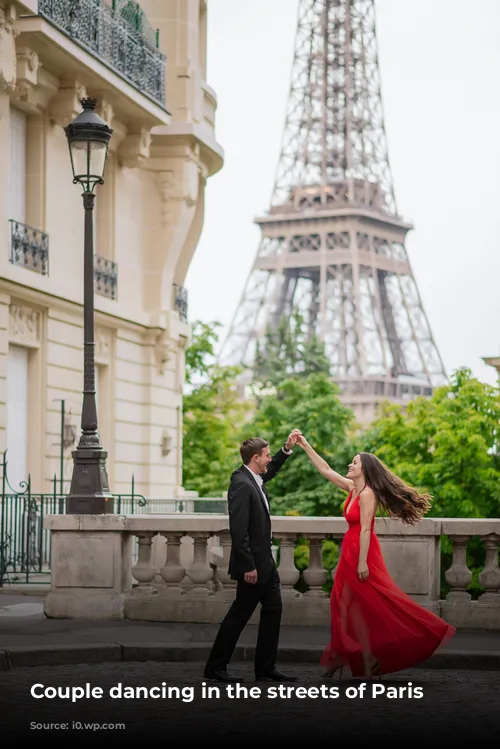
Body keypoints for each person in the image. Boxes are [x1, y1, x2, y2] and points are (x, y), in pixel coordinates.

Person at [295, 435, 456, 679]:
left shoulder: (367, 494)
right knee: (343, 603)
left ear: (365, 470)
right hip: (350, 549)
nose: (350, 465)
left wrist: (361, 562)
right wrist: (305, 445)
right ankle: (357, 655)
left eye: (355, 463)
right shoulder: (352, 488)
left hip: (363, 551)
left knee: (376, 602)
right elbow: (325, 469)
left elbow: (367, 528)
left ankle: (381, 648)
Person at [204, 430, 302, 683]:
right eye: (267, 456)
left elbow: (272, 471)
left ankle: (265, 668)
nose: (269, 460)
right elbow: (239, 529)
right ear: (256, 458)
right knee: (239, 615)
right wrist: (248, 566)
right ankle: (215, 667)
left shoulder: (253, 478)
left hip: (265, 562)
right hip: (253, 565)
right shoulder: (241, 483)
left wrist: (286, 449)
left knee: (273, 609)